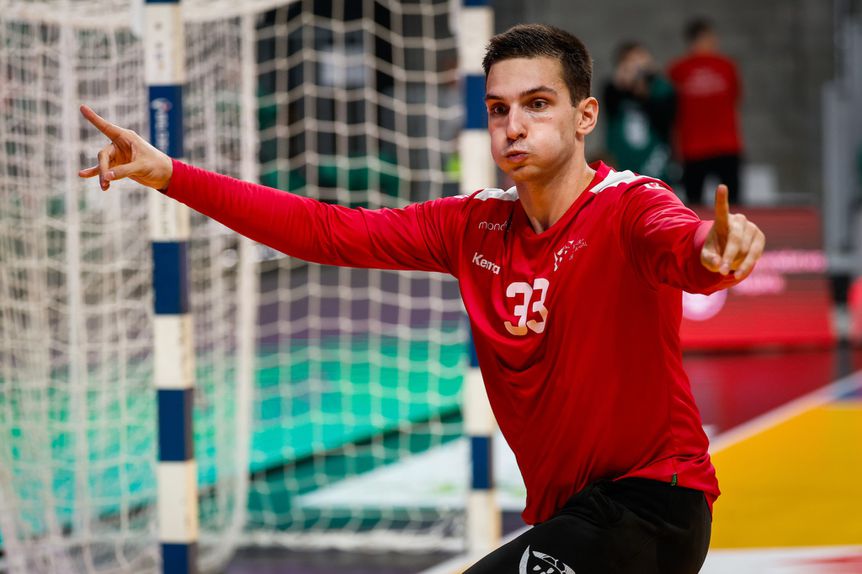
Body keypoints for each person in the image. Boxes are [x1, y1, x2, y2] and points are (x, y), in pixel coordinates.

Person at [80, 23, 764, 574]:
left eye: (537, 104)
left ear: (585, 116)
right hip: (575, 516)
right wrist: (169, 174)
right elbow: (326, 231)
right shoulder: (473, 225)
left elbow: (684, 246)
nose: (514, 126)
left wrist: (716, 252)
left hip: (652, 505)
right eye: (498, 109)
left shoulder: (629, 204)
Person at [668, 17, 743, 205]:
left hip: (725, 144)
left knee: (731, 203)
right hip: (694, 147)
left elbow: (735, 96)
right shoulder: (679, 69)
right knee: (695, 203)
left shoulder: (726, 66)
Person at [603, 41, 676, 181]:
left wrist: (642, 88)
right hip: (623, 164)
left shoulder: (661, 89)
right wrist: (622, 84)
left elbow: (666, 119)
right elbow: (609, 108)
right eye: (630, 62)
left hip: (657, 163)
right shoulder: (614, 90)